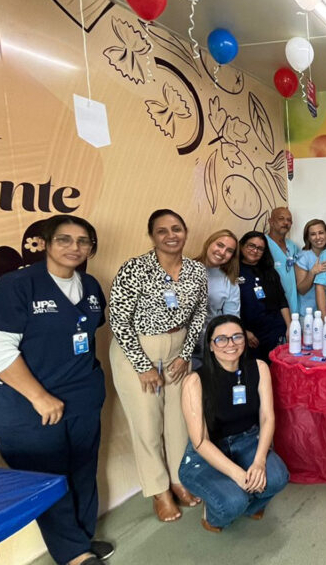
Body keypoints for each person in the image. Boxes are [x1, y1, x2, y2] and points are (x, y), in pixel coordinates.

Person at [0, 215, 114, 565]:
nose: (75, 247)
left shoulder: (91, 286)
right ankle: (73, 555)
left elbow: (82, 333)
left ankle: (81, 540)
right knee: (49, 482)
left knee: (82, 472)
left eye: (83, 241)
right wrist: (39, 396)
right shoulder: (16, 287)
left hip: (80, 400)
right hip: (28, 408)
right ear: (46, 244)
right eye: (64, 239)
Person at [109, 209, 206, 522]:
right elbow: (119, 320)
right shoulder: (135, 269)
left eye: (176, 228)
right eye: (162, 231)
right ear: (152, 236)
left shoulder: (196, 271)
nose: (170, 235)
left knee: (179, 422)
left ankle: (179, 481)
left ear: (185, 232)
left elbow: (200, 314)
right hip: (138, 349)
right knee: (147, 425)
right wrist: (141, 364)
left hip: (179, 349)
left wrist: (185, 352)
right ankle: (159, 491)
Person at [179, 315, 290, 532]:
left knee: (277, 478)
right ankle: (212, 516)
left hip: (247, 441)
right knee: (233, 502)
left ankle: (249, 504)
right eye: (221, 339)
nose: (230, 344)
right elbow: (200, 442)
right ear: (210, 346)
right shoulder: (194, 381)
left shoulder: (259, 368)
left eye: (237, 337)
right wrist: (238, 475)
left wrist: (258, 462)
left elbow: (267, 417)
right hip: (207, 452)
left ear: (245, 340)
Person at [236, 232, 290, 362]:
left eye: (260, 248)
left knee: (277, 371)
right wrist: (243, 331)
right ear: (242, 246)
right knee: (256, 373)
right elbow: (228, 308)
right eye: (251, 246)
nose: (255, 251)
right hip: (250, 335)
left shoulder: (270, 272)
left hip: (275, 331)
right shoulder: (233, 271)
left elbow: (282, 301)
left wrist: (290, 327)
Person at [192, 230, 241, 369]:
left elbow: (232, 319)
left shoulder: (229, 281)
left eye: (229, 250)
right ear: (209, 243)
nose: (222, 252)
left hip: (210, 347)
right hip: (180, 348)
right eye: (219, 245)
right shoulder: (184, 269)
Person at [264, 207, 300, 314]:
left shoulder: (292, 246)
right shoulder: (263, 243)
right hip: (273, 306)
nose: (286, 223)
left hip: (293, 304)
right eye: (281, 219)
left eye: (289, 220)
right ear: (271, 222)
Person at [294, 219, 326, 314]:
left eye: (321, 233)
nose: (318, 237)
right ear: (308, 238)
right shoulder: (303, 257)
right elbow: (301, 290)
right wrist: (312, 272)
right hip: (309, 314)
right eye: (313, 234)